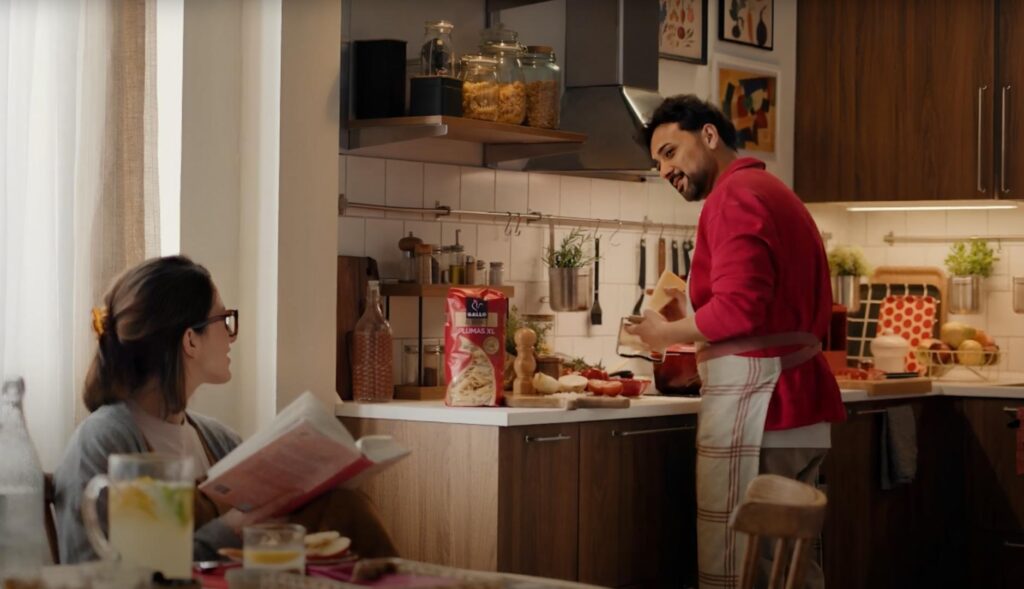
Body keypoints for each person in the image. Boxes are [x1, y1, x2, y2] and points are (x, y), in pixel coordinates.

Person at [626, 95, 846, 589]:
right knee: (789, 568)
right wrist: (693, 315)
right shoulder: (768, 189)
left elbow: (741, 310)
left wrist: (664, 333)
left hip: (766, 408)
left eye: (670, 151)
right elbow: (763, 306)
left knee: (755, 569)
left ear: (708, 136)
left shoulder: (734, 197)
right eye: (657, 161)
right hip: (795, 405)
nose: (664, 169)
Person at [54, 255, 397, 564]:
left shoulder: (219, 441)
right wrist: (234, 529)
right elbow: (97, 569)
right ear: (190, 340)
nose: (231, 336)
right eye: (224, 319)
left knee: (343, 506)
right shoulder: (102, 441)